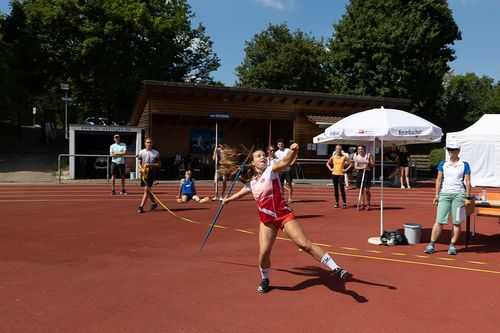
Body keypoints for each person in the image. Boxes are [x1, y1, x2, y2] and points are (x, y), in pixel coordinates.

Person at [220, 143, 351, 294]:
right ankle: (265, 279)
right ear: (253, 162)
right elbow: (243, 191)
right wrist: (229, 199)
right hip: (267, 221)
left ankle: (336, 268)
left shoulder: (271, 170)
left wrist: (293, 151)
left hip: (284, 216)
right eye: (258, 156)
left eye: (263, 155)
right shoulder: (253, 182)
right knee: (264, 253)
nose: (262, 157)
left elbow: (286, 162)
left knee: (305, 244)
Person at [424, 142, 471, 255]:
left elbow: (468, 182)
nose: (450, 151)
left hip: (459, 194)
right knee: (439, 221)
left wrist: (467, 197)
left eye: (453, 149)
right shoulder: (443, 164)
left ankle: (452, 245)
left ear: (458, 151)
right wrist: (437, 195)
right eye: (449, 149)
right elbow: (439, 180)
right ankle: (431, 244)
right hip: (444, 194)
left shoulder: (464, 164)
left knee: (457, 222)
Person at [137, 137, 161, 213]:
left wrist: (150, 165)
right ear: (145, 143)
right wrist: (142, 170)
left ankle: (141, 206)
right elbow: (139, 163)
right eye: (147, 142)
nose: (149, 144)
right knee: (148, 189)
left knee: (146, 189)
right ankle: (154, 203)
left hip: (151, 172)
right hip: (144, 172)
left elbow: (159, 164)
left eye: (150, 142)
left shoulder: (156, 153)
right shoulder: (141, 152)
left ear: (152, 143)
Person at [275, 139, 295, 203]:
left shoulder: (288, 150)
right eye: (279, 144)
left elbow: (295, 155)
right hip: (280, 170)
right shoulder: (276, 153)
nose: (280, 145)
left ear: (283, 144)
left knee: (289, 184)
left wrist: (292, 162)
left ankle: (290, 198)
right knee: (281, 185)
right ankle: (282, 198)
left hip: (288, 170)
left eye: (281, 144)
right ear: (277, 145)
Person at [354, 145, 374, 211]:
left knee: (367, 190)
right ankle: (362, 204)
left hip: (368, 173)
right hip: (360, 173)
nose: (360, 150)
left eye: (361, 149)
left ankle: (368, 204)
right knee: (361, 190)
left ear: (364, 149)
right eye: (359, 149)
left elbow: (373, 165)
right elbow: (356, 167)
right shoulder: (357, 157)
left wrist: (368, 163)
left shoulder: (368, 155)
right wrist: (362, 167)